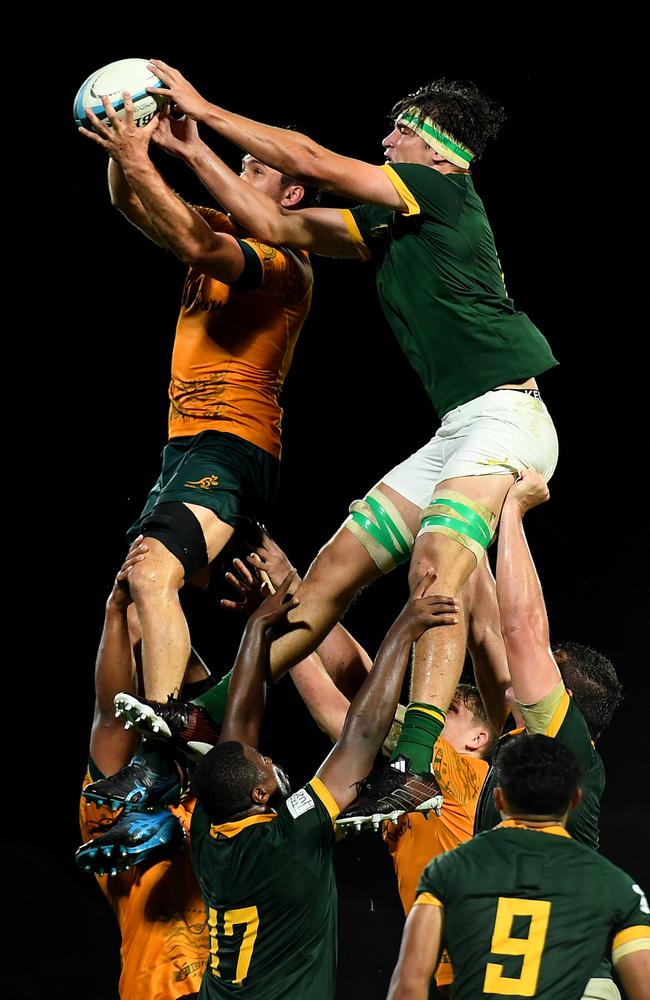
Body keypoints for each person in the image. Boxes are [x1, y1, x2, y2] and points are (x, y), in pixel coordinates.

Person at [138, 63, 559, 820]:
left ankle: (418, 761)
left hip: (505, 416)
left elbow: (312, 163)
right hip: (458, 429)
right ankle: (203, 708)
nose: (386, 139)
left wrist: (204, 105)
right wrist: (192, 150)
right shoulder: (396, 217)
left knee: (438, 562)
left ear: (439, 149)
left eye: (402, 128)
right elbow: (273, 223)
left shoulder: (441, 189)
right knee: (327, 575)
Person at [78, 95, 315, 803]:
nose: (234, 177)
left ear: (291, 193)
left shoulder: (283, 259)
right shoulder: (215, 223)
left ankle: (160, 752)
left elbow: (190, 244)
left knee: (151, 576)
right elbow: (132, 204)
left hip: (232, 446)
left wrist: (136, 157)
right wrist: (131, 149)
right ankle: (202, 722)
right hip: (186, 449)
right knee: (129, 594)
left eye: (254, 170)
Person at [187, 564, 458, 997]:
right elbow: (362, 734)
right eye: (266, 763)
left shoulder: (208, 829)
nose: (273, 760)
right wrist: (403, 629)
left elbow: (238, 726)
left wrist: (258, 627)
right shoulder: (287, 842)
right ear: (259, 794)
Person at [387, 734, 650, 1000]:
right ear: (574, 799)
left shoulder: (447, 870)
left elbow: (409, 984)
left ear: (498, 799)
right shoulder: (614, 884)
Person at [76, 539, 210, 999]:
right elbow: (111, 714)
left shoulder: (209, 791)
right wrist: (118, 613)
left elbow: (201, 700)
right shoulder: (114, 798)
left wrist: (159, 600)